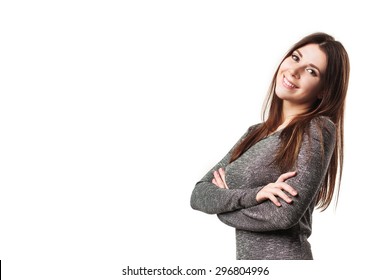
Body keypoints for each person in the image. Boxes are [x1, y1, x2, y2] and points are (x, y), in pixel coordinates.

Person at [190, 32, 350, 260]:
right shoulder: (254, 133)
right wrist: (254, 196)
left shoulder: (317, 128)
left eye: (311, 71)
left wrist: (223, 207)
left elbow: (283, 216)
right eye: (295, 58)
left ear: (324, 91)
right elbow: (198, 194)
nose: (294, 71)